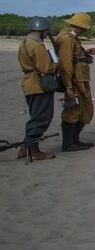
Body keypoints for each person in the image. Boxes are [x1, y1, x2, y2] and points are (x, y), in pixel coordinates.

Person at [54, 13, 95, 149]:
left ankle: (74, 140)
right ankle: (68, 143)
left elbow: (74, 57)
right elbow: (66, 65)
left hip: (80, 79)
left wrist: (85, 53)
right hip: (75, 81)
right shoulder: (67, 39)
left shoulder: (72, 38)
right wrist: (68, 87)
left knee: (85, 110)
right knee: (73, 111)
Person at [17, 17, 59, 159]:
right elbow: (46, 68)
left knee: (36, 116)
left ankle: (25, 147)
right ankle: (33, 151)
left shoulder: (25, 42)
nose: (47, 33)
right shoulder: (36, 45)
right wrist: (57, 64)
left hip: (29, 82)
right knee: (41, 117)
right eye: (46, 31)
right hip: (38, 84)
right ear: (42, 30)